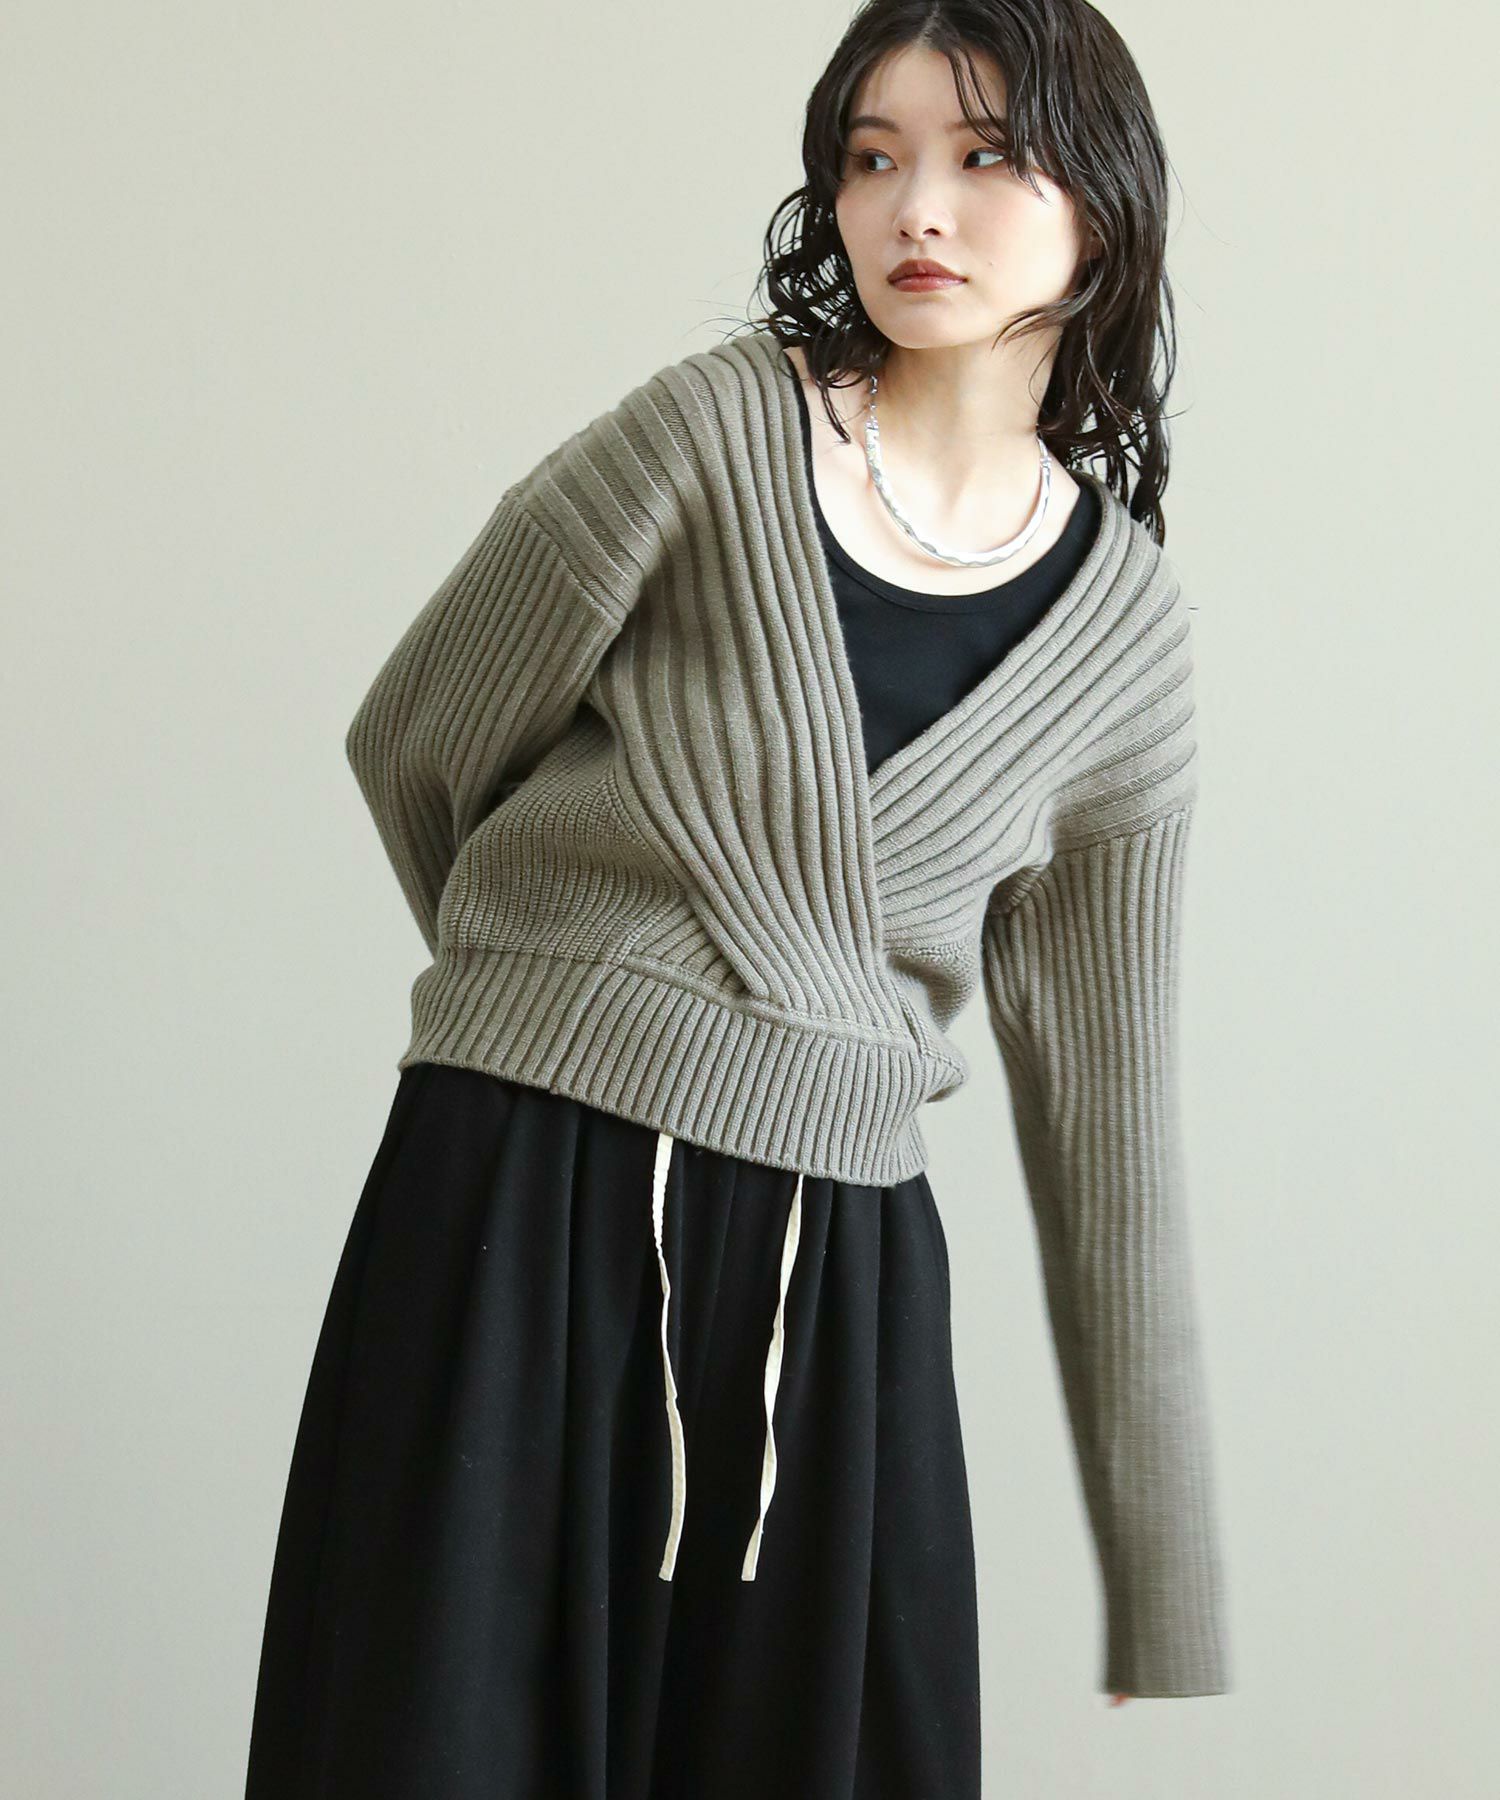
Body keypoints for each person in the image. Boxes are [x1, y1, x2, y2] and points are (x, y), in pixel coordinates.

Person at [244, 2, 1231, 1794]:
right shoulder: (706, 433)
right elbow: (419, 736)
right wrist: (569, 1005)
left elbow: (1113, 1114)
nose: (915, 207)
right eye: (872, 156)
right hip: (518, 1193)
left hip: (831, 1270)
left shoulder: (1125, 637)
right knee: (440, 1733)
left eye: (983, 156)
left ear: (1102, 202)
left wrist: (1161, 1588)